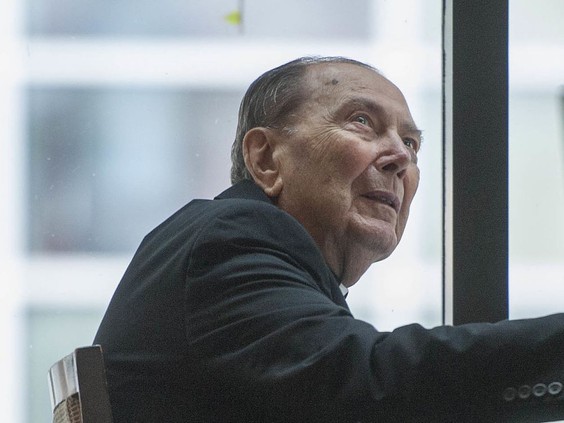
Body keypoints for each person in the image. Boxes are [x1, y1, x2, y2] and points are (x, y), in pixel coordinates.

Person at [94, 56, 564, 422]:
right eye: (362, 121)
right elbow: (367, 384)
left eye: (413, 144)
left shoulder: (239, 246)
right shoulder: (233, 237)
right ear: (266, 159)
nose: (400, 157)